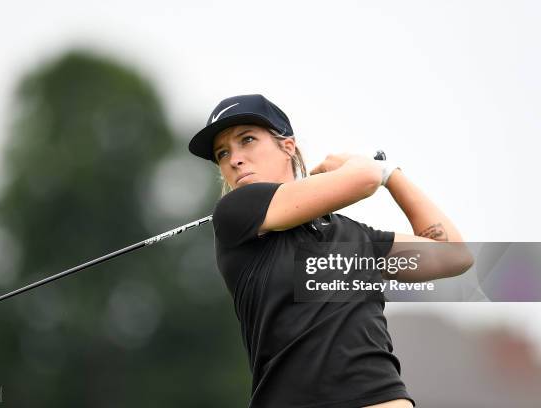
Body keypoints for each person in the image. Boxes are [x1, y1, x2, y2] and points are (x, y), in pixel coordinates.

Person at [188, 94, 473, 408]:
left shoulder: (353, 236)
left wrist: (392, 175)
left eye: (248, 140)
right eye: (223, 152)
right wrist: (363, 167)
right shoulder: (236, 212)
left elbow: (454, 256)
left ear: (288, 146)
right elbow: (364, 178)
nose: (234, 159)